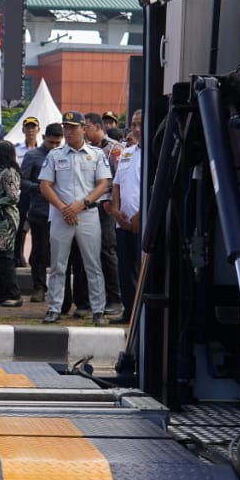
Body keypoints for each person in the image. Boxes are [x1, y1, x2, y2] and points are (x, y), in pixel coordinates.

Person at [40, 111, 112, 327]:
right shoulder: (54, 154)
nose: (68, 131)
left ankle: (98, 309)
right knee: (58, 265)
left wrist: (83, 204)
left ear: (83, 128)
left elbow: (103, 183)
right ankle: (54, 308)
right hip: (62, 215)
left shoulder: (96, 154)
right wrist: (64, 208)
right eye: (66, 127)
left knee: (93, 264)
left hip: (87, 214)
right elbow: (45, 185)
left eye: (73, 127)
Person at [81, 111, 126, 316]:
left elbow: (119, 180)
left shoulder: (114, 149)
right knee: (91, 252)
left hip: (106, 206)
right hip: (87, 205)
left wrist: (112, 204)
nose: (83, 130)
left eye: (86, 126)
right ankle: (95, 298)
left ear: (98, 127)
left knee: (107, 251)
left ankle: (115, 298)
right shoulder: (86, 149)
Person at [23, 124, 63, 303]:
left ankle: (59, 290)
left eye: (57, 143)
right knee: (39, 251)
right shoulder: (32, 156)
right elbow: (22, 181)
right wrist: (40, 188)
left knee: (59, 252)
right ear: (44, 137)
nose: (54, 146)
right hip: (39, 210)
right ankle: (39, 287)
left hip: (61, 210)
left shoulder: (64, 155)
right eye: (51, 142)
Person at [111, 109, 144, 323]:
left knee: (141, 270)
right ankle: (128, 311)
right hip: (122, 221)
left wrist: (141, 216)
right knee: (124, 269)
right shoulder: (126, 152)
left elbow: (154, 188)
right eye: (133, 124)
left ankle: (142, 313)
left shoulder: (155, 152)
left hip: (143, 222)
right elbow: (116, 185)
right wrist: (115, 211)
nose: (137, 128)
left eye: (140, 124)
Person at [0, 140, 23, 308]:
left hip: (6, 219)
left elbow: (13, 197)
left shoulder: (9, 172)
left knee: (5, 258)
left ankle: (13, 294)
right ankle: (1, 292)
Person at [13, 116, 41, 268]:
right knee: (21, 227)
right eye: (28, 127)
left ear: (38, 130)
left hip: (38, 193)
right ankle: (18, 257)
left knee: (38, 227)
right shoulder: (16, 149)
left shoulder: (44, 149)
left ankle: (35, 258)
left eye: (33, 127)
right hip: (22, 193)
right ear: (23, 130)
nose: (30, 130)